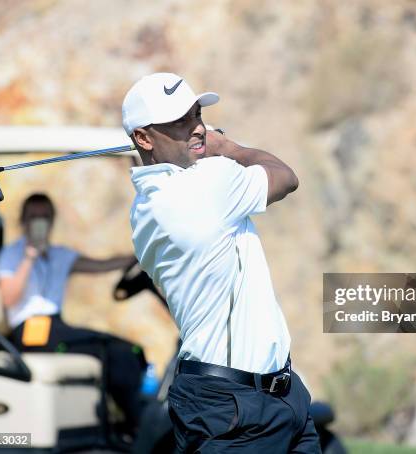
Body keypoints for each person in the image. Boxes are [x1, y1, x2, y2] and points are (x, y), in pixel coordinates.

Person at [123, 72, 320, 452]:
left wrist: (196, 148)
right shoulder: (206, 185)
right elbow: (286, 177)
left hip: (275, 394)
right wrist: (227, 146)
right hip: (234, 407)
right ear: (144, 138)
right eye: (179, 122)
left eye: (196, 115)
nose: (196, 128)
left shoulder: (145, 206)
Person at [0, 193, 147, 432]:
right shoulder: (12, 255)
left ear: (52, 221)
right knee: (111, 352)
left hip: (56, 327)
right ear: (23, 221)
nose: (39, 222)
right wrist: (28, 258)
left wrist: (140, 257)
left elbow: (101, 265)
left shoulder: (60, 254)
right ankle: (133, 426)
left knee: (129, 350)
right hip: (30, 330)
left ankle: (127, 422)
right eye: (33, 217)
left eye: (44, 217)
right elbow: (8, 298)